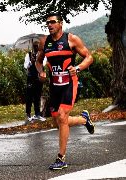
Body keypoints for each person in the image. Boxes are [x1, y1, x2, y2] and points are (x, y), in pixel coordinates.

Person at [36, 13, 95, 170]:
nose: (49, 25)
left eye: (53, 22)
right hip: (54, 87)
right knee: (58, 122)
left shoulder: (72, 39)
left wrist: (77, 68)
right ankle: (84, 120)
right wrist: (41, 71)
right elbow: (38, 61)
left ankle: (61, 158)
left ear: (60, 24)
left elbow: (89, 57)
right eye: (47, 22)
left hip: (69, 84)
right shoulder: (44, 42)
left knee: (62, 117)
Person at [24, 41, 46, 124]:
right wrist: (31, 62)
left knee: (37, 96)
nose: (36, 47)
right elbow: (25, 66)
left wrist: (37, 60)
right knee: (29, 96)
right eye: (35, 46)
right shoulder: (28, 55)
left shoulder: (42, 55)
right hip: (30, 78)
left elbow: (43, 64)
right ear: (33, 47)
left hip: (39, 78)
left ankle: (37, 114)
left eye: (37, 46)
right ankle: (28, 114)